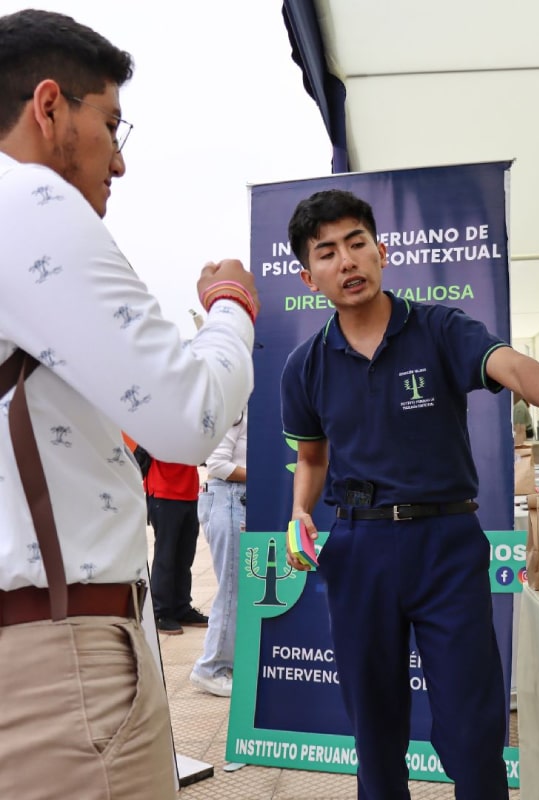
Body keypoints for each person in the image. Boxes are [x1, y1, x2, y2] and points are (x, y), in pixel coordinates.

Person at [0, 10, 258, 800]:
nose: (119, 161)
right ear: (50, 109)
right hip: (58, 658)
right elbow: (185, 416)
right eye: (111, 124)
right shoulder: (28, 205)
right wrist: (230, 309)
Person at [280, 189, 539, 800]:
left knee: (472, 728)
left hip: (446, 546)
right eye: (327, 253)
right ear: (308, 274)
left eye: (356, 243)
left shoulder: (437, 328)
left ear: (383, 250)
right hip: (358, 549)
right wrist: (300, 509)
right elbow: (312, 456)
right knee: (374, 731)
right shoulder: (305, 365)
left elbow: (509, 364)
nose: (346, 262)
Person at [190, 409, 247, 696]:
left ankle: (223, 665)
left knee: (235, 588)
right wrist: (263, 476)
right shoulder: (237, 406)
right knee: (231, 590)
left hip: (233, 499)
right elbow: (217, 464)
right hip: (228, 498)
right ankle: (210, 668)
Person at [145, 458, 208, 635]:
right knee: (166, 555)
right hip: (164, 492)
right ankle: (161, 612)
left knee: (185, 556)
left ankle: (181, 608)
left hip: (190, 492)